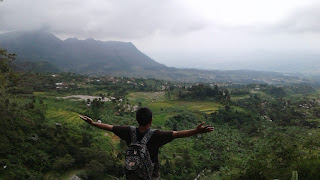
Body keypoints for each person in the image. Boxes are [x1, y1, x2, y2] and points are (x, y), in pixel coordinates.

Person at [79, 107, 214, 179]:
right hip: (151, 174)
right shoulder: (157, 135)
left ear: (137, 119)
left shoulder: (127, 131)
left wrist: (92, 123)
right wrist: (197, 131)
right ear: (151, 120)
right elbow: (178, 134)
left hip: (132, 171)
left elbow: (109, 127)